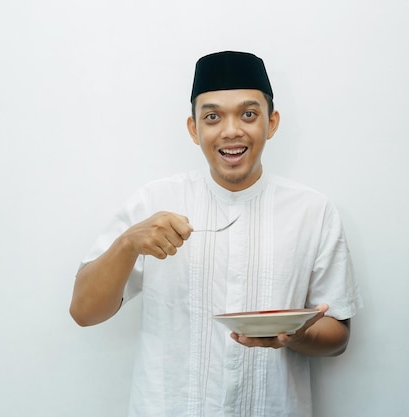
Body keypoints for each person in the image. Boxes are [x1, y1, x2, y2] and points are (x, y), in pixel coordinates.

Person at [70, 51, 362, 417]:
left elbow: (338, 337)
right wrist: (128, 243)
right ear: (194, 129)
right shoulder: (154, 201)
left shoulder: (313, 211)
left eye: (248, 114)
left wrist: (296, 334)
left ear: (271, 123)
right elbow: (83, 311)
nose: (231, 130)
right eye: (212, 116)